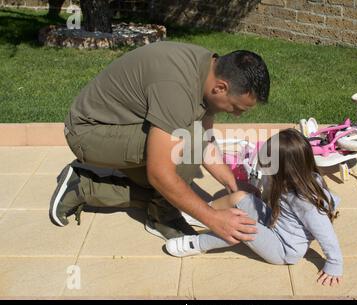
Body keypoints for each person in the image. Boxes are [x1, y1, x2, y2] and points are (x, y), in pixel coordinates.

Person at [49, 41, 270, 244]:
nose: (238, 115)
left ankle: (82, 186)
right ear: (220, 88)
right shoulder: (176, 87)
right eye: (237, 108)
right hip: (88, 133)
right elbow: (160, 172)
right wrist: (213, 219)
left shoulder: (208, 70)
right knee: (178, 163)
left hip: (120, 128)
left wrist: (232, 184)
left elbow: (204, 140)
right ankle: (162, 218)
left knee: (177, 185)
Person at [165, 129, 344, 286]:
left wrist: (335, 263)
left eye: (268, 163)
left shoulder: (305, 202)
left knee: (241, 225)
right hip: (273, 222)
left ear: (284, 170)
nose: (264, 166)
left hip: (282, 248)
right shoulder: (292, 178)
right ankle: (199, 214)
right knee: (240, 197)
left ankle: (197, 243)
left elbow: (325, 232)